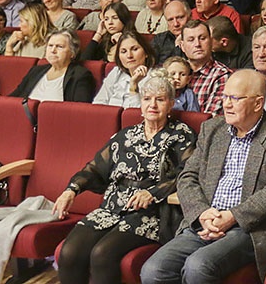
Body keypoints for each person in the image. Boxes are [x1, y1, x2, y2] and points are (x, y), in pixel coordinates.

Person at [139, 69, 266, 283]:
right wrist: (202, 213)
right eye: (225, 97)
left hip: (249, 228)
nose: (226, 104)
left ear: (257, 103)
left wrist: (233, 216)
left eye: (234, 98)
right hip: (205, 221)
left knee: (198, 266)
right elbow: (188, 176)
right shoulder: (212, 129)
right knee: (153, 269)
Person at [54, 73, 196, 284]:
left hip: (151, 212)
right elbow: (95, 168)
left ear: (171, 103)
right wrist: (71, 189)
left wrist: (152, 193)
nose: (153, 105)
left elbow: (188, 173)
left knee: (102, 254)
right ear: (140, 103)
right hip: (112, 207)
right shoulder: (125, 136)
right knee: (69, 252)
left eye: (160, 99)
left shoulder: (181, 135)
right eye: (147, 98)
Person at [11, 30, 96, 102]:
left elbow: (78, 110)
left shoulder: (80, 75)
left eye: (60, 47)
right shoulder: (36, 71)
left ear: (72, 53)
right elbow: (14, 97)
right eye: (50, 45)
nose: (53, 50)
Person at [92, 31, 158, 108]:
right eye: (124, 51)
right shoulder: (116, 72)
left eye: (135, 49)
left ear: (146, 52)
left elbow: (139, 115)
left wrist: (134, 86)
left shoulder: (155, 77)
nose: (129, 55)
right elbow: (98, 103)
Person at [183, 19, 233, 115]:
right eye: (191, 40)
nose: (197, 44)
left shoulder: (222, 75)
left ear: (210, 42)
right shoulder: (171, 71)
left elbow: (210, 122)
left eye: (202, 38)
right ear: (182, 46)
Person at [153, 0, 191, 64]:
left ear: (190, 16)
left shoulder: (199, 39)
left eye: (180, 17)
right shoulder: (159, 39)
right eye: (170, 20)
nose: (176, 24)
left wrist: (178, 46)